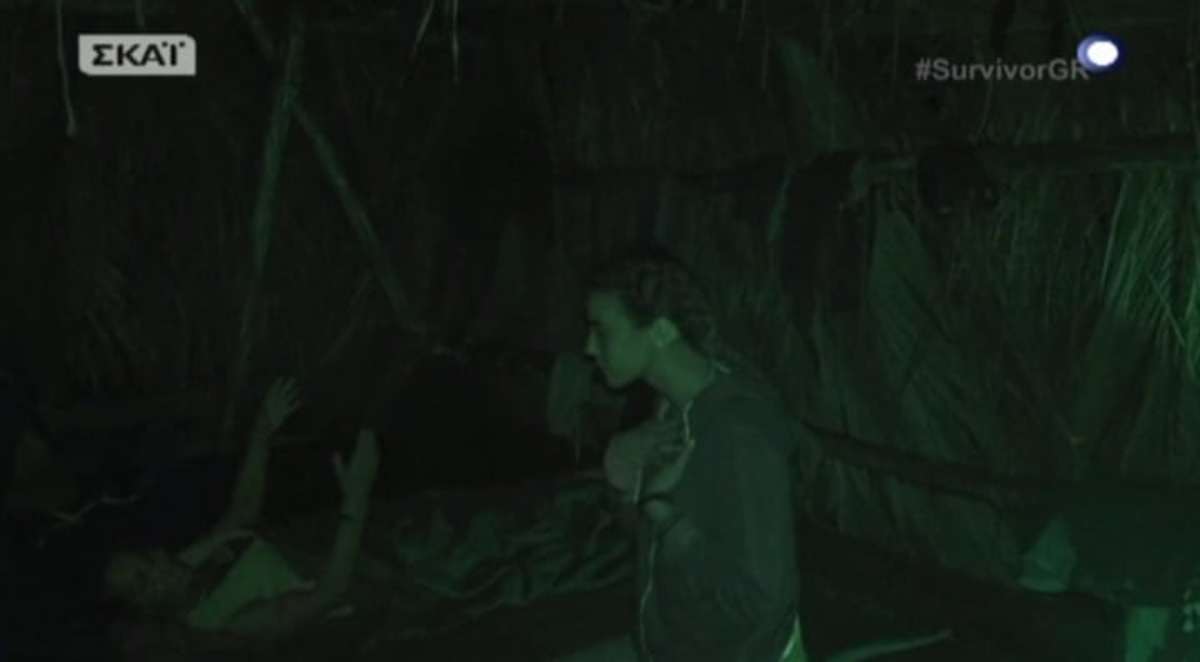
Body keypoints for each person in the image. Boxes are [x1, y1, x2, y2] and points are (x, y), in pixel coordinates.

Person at [556, 247, 804, 662]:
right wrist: (622, 480)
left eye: (601, 330)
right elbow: (646, 546)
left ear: (660, 331)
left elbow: (759, 602)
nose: (589, 347)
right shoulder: (669, 409)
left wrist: (664, 514)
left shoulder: (740, 430)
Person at [101, 377, 381, 650]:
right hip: (362, 603)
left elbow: (242, 514)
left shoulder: (188, 563)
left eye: (148, 557)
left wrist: (262, 429)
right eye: (143, 580)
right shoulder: (231, 623)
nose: (160, 562)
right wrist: (357, 497)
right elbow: (332, 591)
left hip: (339, 553)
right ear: (145, 610)